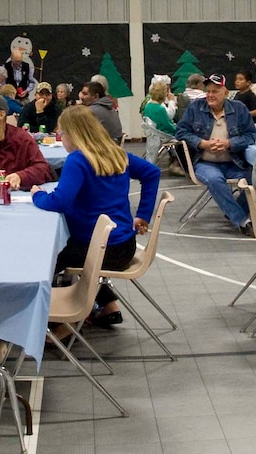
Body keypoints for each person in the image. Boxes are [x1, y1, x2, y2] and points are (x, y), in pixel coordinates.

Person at [32, 105, 160, 331]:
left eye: (62, 134)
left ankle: (61, 322)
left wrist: (37, 195)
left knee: (45, 257)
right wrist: (143, 214)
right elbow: (152, 172)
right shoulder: (116, 153)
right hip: (124, 246)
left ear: (72, 134)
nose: (61, 139)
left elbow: (60, 202)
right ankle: (108, 306)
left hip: (98, 249)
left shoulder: (77, 160)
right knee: (71, 250)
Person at [175, 74, 256, 230]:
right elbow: (180, 132)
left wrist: (229, 143)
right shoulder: (195, 108)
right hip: (204, 162)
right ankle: (243, 222)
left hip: (235, 162)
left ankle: (233, 211)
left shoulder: (239, 109)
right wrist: (202, 143)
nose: (210, 95)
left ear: (226, 93)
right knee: (214, 179)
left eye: (215, 91)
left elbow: (250, 135)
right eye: (208, 91)